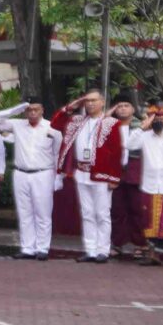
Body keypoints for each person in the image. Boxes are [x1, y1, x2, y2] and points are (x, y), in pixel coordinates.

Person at [53, 92, 124, 263]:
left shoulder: (111, 123)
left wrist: (114, 178)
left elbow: (116, 152)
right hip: (81, 173)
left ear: (102, 102)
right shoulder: (77, 121)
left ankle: (103, 250)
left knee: (102, 213)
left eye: (94, 100)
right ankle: (90, 250)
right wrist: (72, 106)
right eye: (87, 101)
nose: (90, 104)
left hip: (101, 173)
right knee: (87, 213)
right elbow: (56, 123)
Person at [0, 102, 63, 259]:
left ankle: (42, 248)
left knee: (43, 213)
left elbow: (58, 154)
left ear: (42, 110)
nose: (32, 112)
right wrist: (17, 109)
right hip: (21, 173)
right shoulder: (18, 125)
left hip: (43, 173)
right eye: (29, 110)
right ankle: (27, 248)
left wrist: (58, 176)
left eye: (36, 109)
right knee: (24, 213)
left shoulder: (52, 128)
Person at [125, 107, 163, 265]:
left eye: (162, 118)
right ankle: (153, 254)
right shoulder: (144, 137)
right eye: (155, 118)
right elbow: (129, 145)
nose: (159, 121)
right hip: (150, 185)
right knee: (149, 221)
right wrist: (141, 127)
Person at [108, 101, 143, 260]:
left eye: (126, 106)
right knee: (117, 210)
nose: (122, 109)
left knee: (137, 210)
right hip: (116, 171)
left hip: (135, 171)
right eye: (119, 106)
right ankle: (117, 244)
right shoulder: (110, 126)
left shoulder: (142, 126)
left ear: (133, 109)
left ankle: (140, 244)